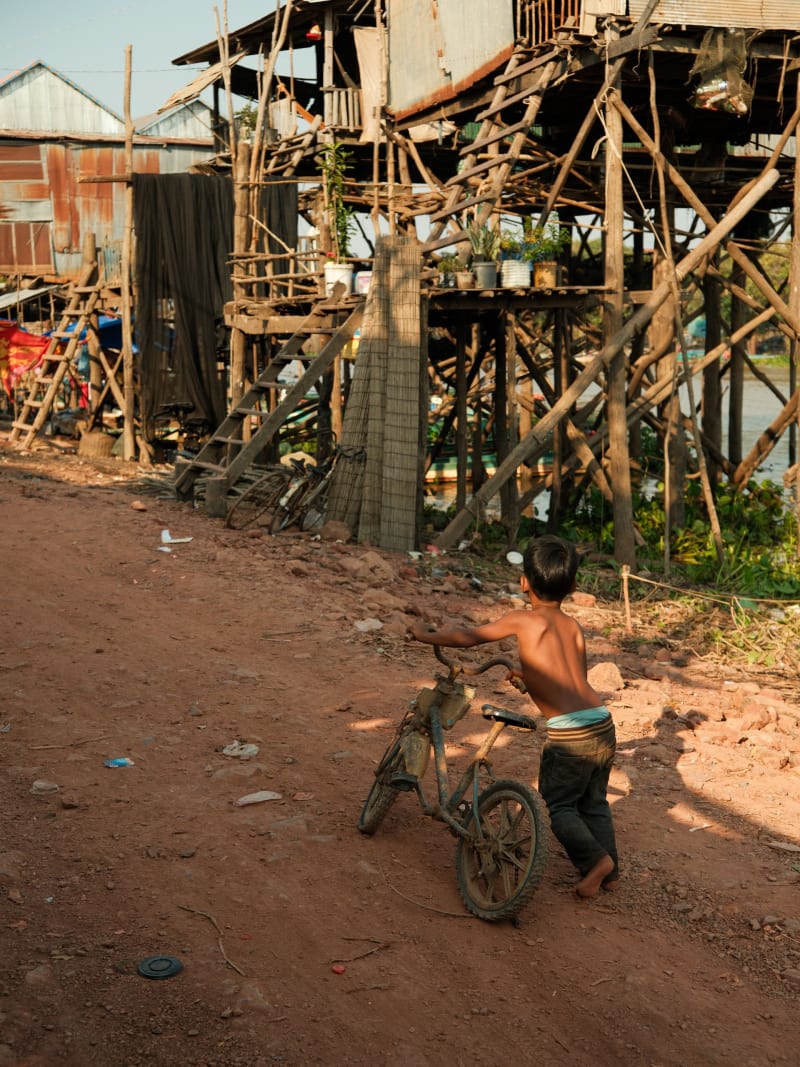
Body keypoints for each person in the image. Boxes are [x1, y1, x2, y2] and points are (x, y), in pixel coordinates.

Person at [407, 534, 618, 899]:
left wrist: (427, 636)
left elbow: (471, 637)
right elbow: (573, 679)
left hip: (570, 738)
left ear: (524, 582)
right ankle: (608, 869)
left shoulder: (523, 620)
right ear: (572, 585)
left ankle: (597, 861)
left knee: (560, 805)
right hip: (601, 721)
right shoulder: (572, 627)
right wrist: (529, 676)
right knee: (594, 802)